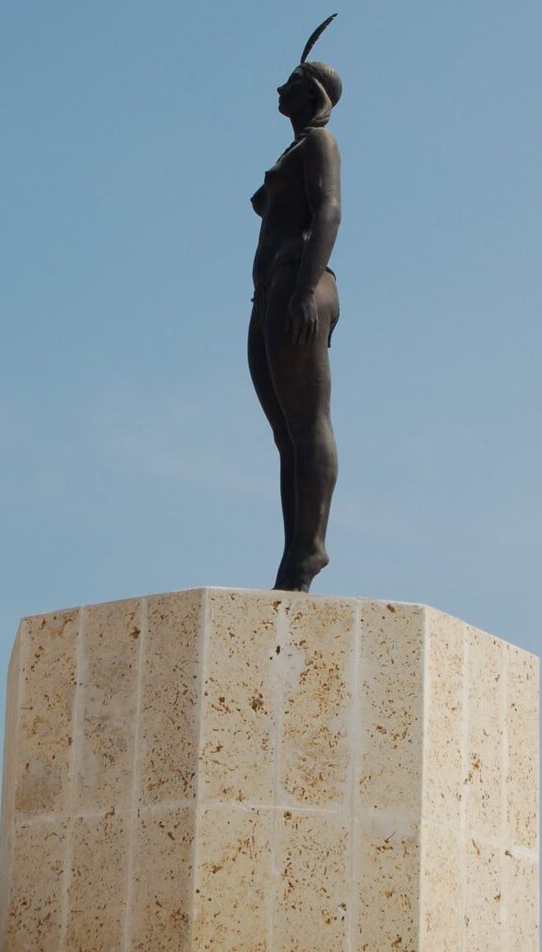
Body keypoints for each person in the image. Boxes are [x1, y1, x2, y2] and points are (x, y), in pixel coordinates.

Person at [248, 16, 343, 592]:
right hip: (271, 290)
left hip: (297, 280)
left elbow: (329, 210)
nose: (277, 91)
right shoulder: (296, 146)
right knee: (286, 432)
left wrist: (307, 288)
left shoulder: (320, 142)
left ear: (311, 91)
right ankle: (293, 558)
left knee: (307, 422)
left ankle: (309, 551)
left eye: (288, 82)